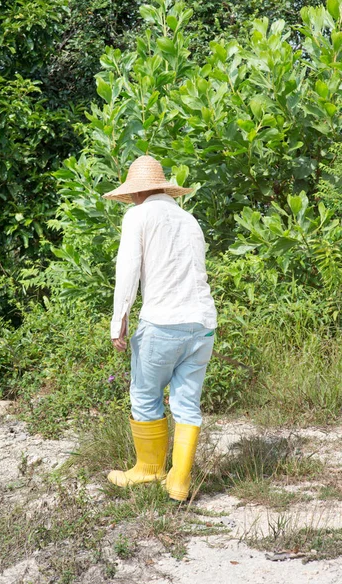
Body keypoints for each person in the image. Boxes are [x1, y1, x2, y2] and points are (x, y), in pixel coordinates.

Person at [103, 155, 217, 501]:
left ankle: (150, 470)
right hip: (202, 324)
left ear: (135, 192)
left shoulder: (138, 215)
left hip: (162, 321)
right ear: (164, 188)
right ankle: (179, 483)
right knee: (187, 402)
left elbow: (128, 271)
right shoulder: (189, 219)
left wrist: (118, 319)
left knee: (145, 395)